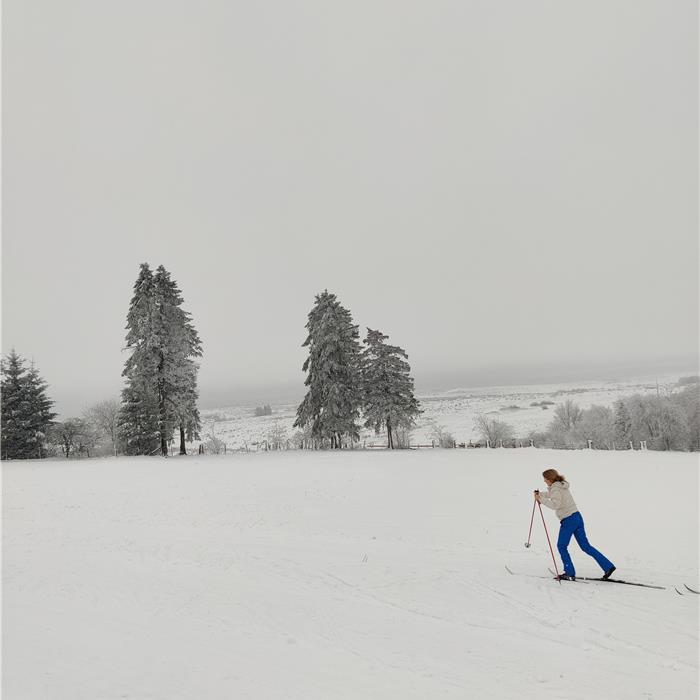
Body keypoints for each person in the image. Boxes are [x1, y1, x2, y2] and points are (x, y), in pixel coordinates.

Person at [535, 468, 615, 581]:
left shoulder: (556, 489)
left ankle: (569, 572)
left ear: (549, 479)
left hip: (568, 520)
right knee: (586, 546)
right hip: (577, 517)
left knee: (561, 546)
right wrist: (541, 495)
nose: (544, 481)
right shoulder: (561, 486)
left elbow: (555, 505)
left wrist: (540, 499)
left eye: (545, 479)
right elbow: (551, 494)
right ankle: (608, 566)